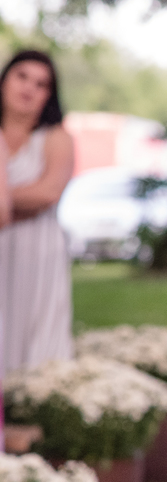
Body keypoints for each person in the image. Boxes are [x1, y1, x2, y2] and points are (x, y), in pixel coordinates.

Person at [0, 50, 75, 374]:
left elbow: (48, 192)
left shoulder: (56, 137)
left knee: (35, 324)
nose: (29, 88)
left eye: (41, 83)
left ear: (49, 94)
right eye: (22, 76)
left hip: (38, 248)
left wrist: (4, 202)